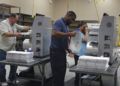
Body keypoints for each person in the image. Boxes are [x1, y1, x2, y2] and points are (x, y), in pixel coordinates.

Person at [0, 13, 30, 86]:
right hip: (3, 48)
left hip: (12, 49)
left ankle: (11, 79)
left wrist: (30, 28)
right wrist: (16, 34)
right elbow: (5, 34)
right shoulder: (3, 23)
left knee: (14, 65)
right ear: (11, 18)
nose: (16, 22)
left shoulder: (14, 24)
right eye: (16, 20)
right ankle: (2, 80)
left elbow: (22, 27)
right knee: (2, 66)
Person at [50, 11, 77, 86]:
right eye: (72, 19)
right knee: (57, 75)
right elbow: (54, 33)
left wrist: (69, 49)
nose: (72, 22)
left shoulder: (66, 25)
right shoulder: (58, 22)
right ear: (68, 16)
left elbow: (64, 39)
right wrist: (68, 34)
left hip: (61, 52)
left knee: (62, 74)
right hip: (56, 53)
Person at [74, 21, 89, 86]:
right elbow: (86, 40)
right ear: (81, 26)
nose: (86, 27)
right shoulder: (78, 32)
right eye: (85, 26)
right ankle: (77, 83)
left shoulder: (81, 33)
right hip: (78, 55)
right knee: (78, 71)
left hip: (82, 54)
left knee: (82, 71)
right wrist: (86, 31)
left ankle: (80, 83)